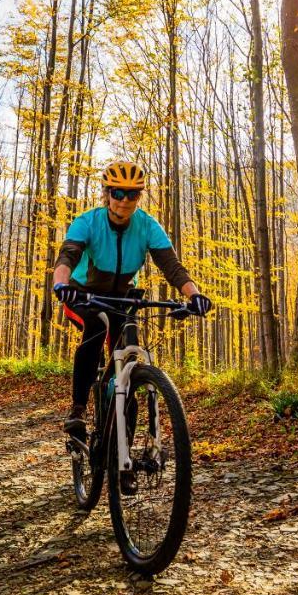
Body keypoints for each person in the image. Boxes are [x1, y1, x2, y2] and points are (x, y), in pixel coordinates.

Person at [51, 161, 212, 444]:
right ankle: (77, 409)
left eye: (132, 194)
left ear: (140, 196)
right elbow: (68, 256)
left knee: (126, 356)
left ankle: (123, 435)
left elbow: (172, 266)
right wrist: (61, 284)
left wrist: (194, 295)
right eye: (118, 193)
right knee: (96, 327)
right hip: (82, 293)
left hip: (122, 296)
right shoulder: (88, 222)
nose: (124, 201)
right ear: (106, 193)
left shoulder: (148, 225)